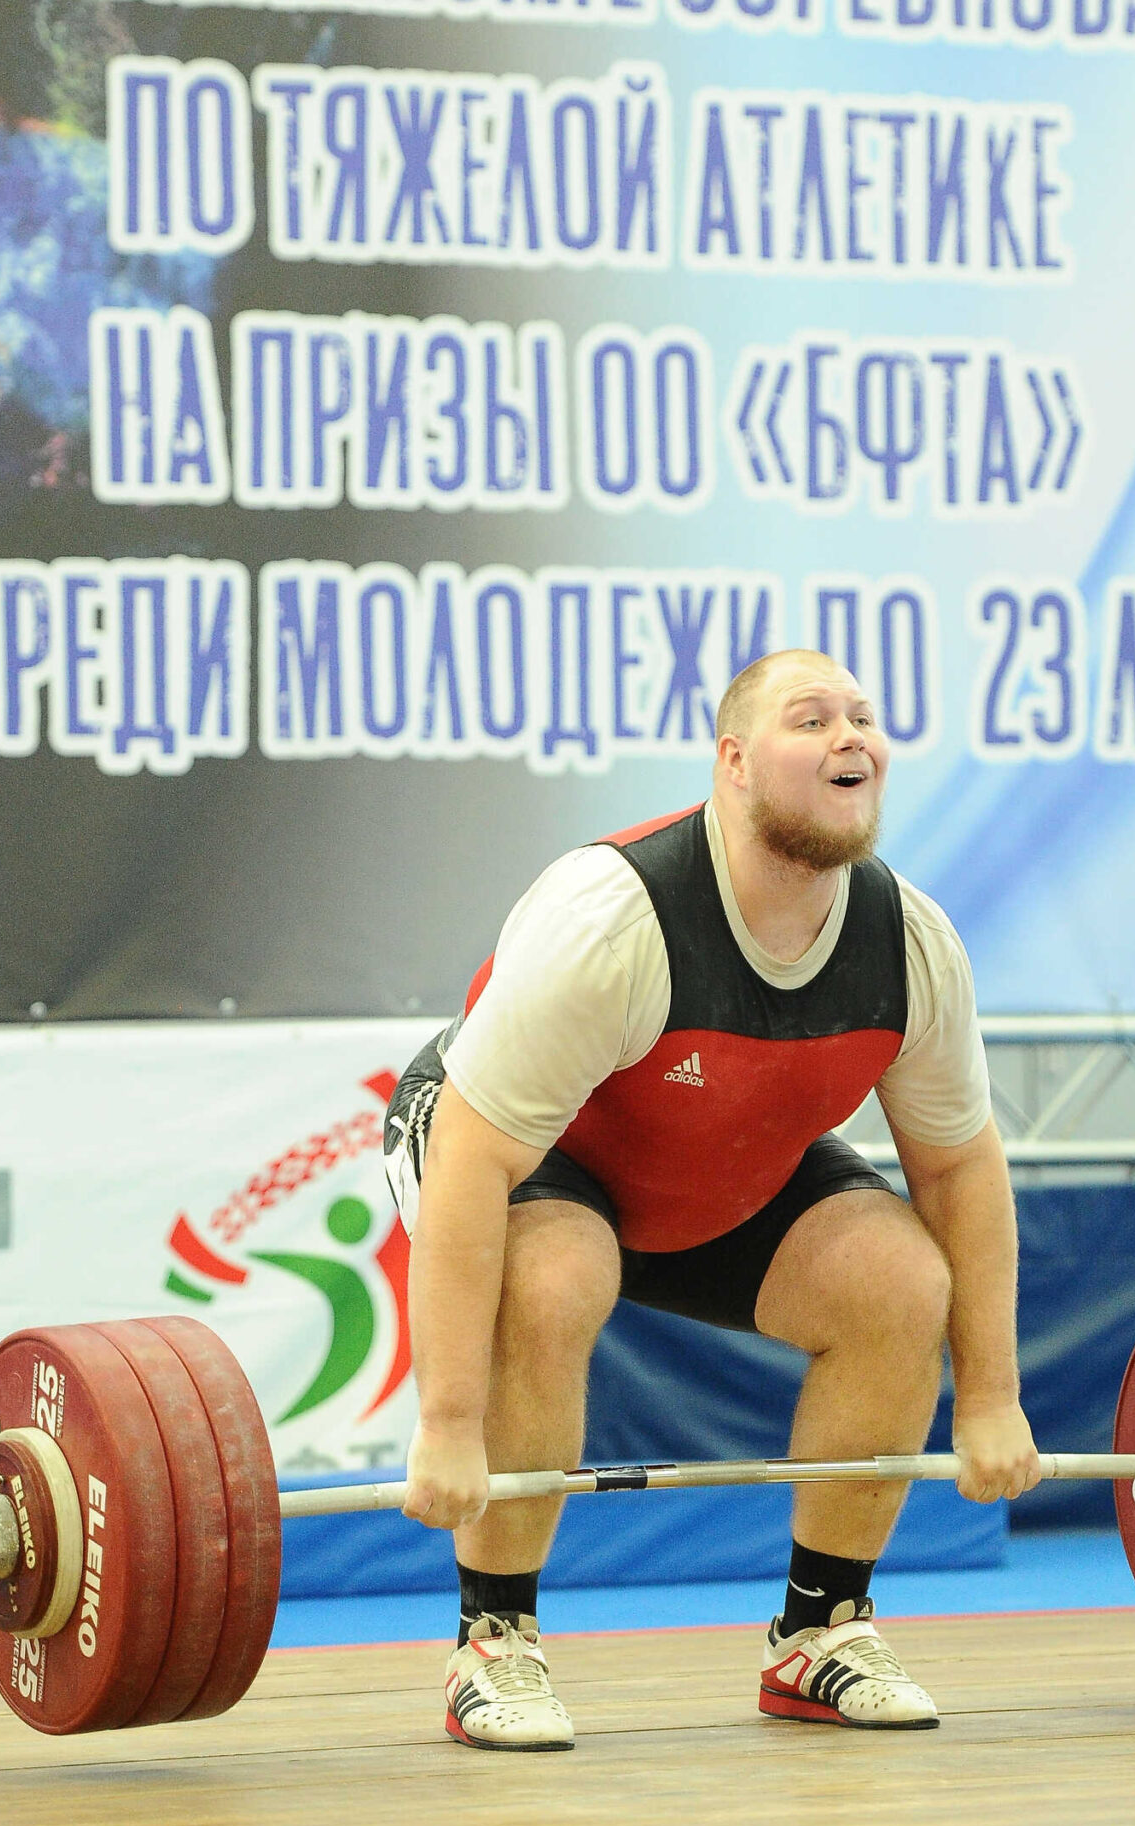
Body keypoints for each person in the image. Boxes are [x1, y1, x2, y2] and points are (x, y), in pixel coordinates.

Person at [382, 647, 1040, 1750]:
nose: (849, 736)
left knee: (894, 1279)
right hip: (518, 1152)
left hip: (715, 1175)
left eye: (862, 717)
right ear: (732, 762)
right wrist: (447, 1424)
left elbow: (958, 1171)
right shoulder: (614, 917)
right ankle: (492, 1642)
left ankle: (817, 1632)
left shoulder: (909, 943)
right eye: (810, 718)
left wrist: (990, 1396)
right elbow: (472, 1159)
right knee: (553, 1277)